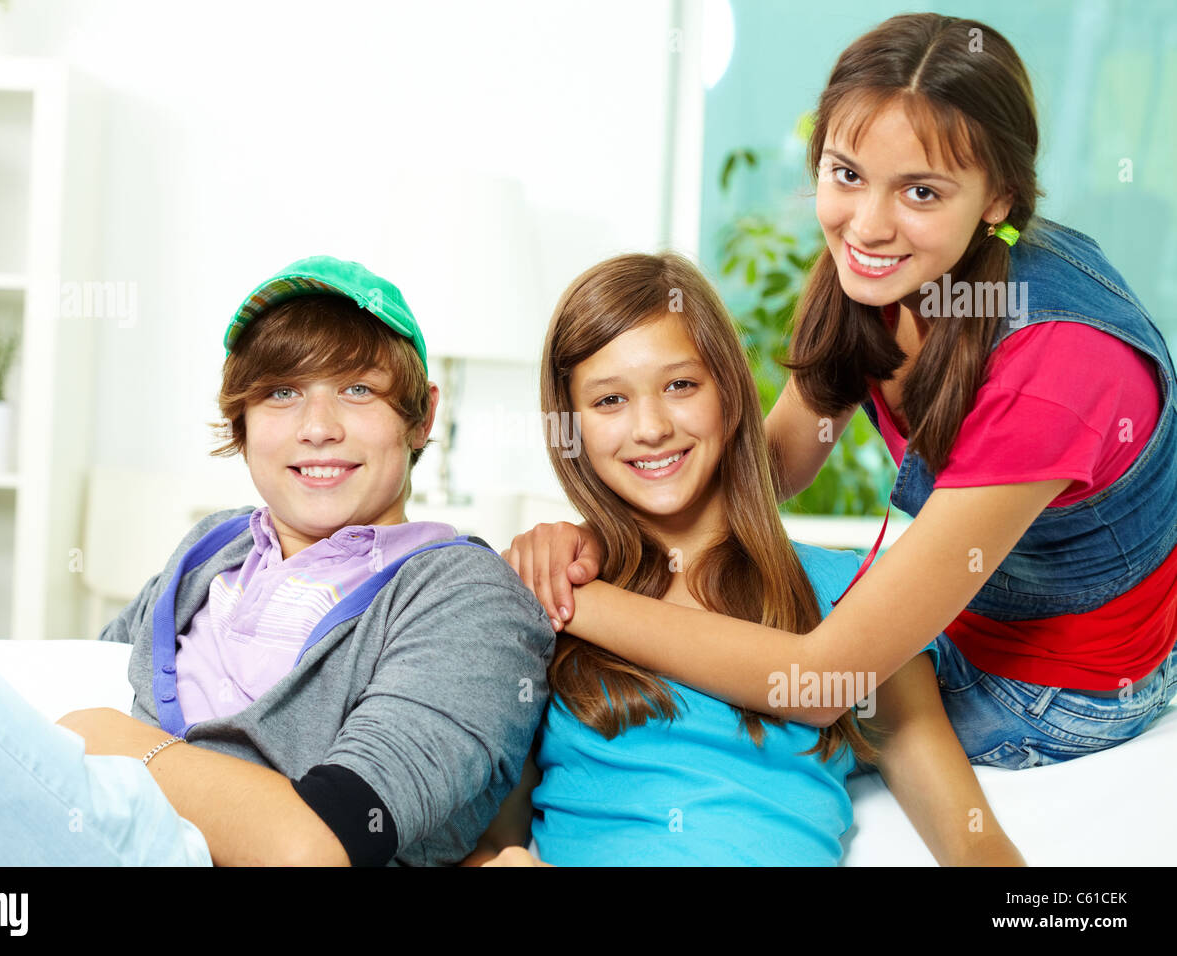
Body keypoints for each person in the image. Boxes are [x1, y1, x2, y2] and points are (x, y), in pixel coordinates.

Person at [503, 13, 1177, 771]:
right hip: (952, 627)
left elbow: (828, 681)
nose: (868, 225)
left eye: (921, 192)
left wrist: (573, 601)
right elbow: (774, 468)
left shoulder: (1058, 365)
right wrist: (595, 542)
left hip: (1057, 689)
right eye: (846, 174)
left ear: (998, 200)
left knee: (714, 733)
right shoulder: (884, 271)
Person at [0, 255, 554, 866]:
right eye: (281, 393)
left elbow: (316, 846)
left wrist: (121, 745)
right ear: (243, 421)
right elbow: (84, 688)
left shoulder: (466, 596)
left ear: (421, 416)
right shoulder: (211, 550)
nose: (317, 427)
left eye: (356, 390)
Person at [465, 251, 1021, 865]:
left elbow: (972, 841)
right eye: (609, 401)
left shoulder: (854, 603)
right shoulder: (541, 596)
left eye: (680, 385)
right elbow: (489, 840)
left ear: (729, 396)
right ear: (570, 427)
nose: (649, 428)